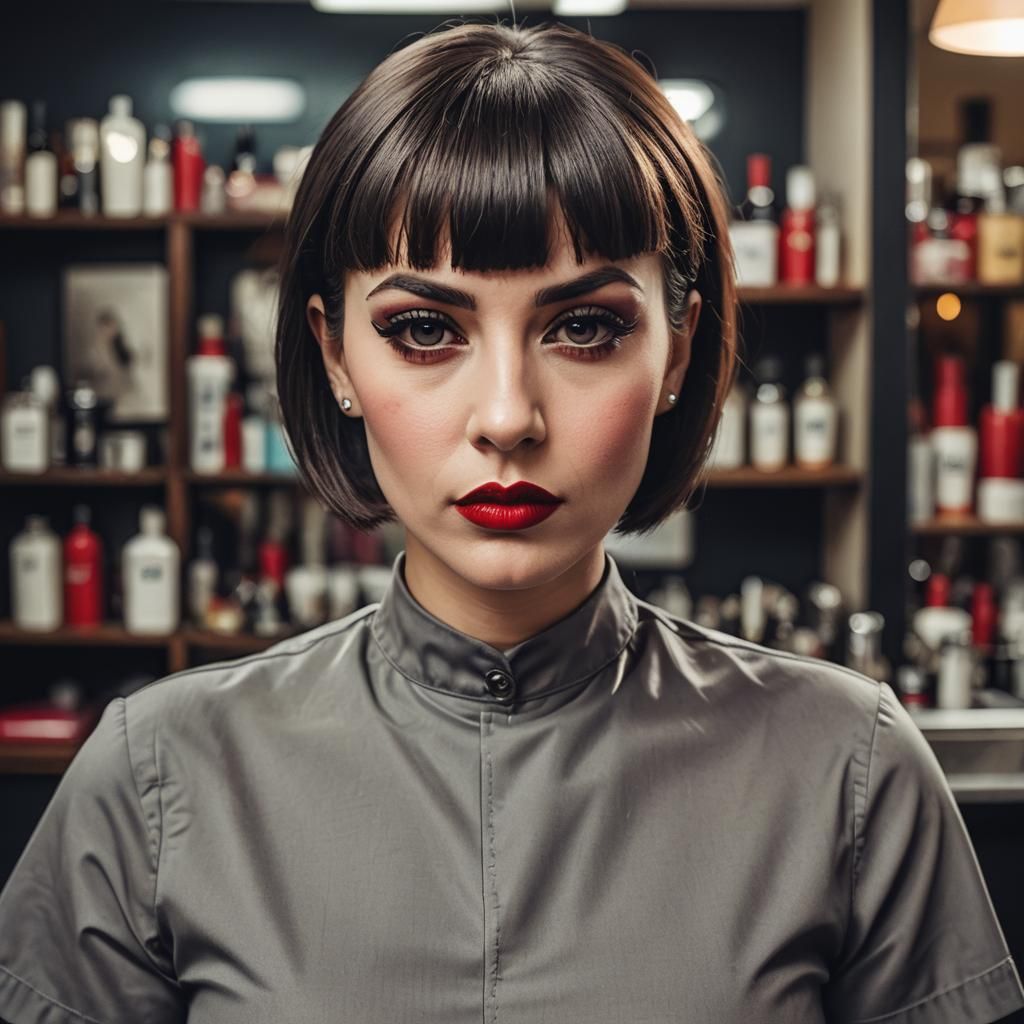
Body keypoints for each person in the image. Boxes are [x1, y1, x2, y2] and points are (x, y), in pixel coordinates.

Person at [0, 18, 1022, 1024]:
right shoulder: (154, 777)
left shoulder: (851, 770)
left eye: (582, 326)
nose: (505, 416)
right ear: (335, 356)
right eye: (424, 328)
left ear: (673, 351)